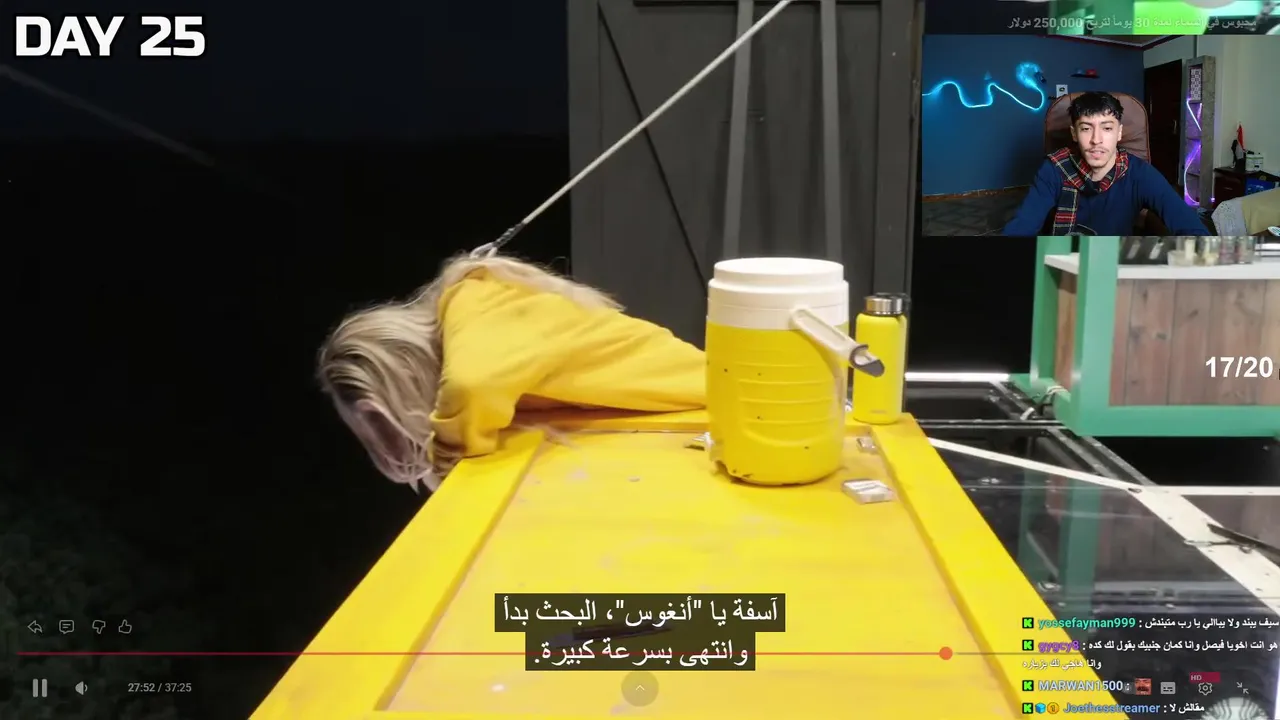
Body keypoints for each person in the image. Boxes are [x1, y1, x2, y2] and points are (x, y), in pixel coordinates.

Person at [316, 254, 706, 492]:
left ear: (402, 377)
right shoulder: (480, 317)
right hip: (705, 414)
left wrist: (447, 463)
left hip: (723, 408)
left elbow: (473, 385)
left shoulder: (475, 303)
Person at [1003, 91, 1210, 236]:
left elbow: (1190, 226)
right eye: (1086, 128)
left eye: (1107, 128)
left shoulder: (1140, 174)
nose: (1096, 140)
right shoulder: (1053, 169)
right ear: (1074, 134)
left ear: (1119, 133)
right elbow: (1022, 227)